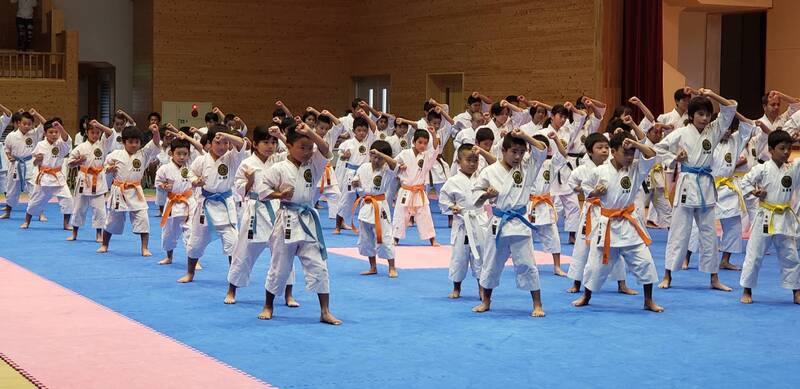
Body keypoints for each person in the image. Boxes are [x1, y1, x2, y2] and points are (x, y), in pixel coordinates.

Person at [655, 88, 737, 291]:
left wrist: (711, 95)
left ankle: (714, 278)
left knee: (709, 234)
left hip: (706, 186)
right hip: (687, 183)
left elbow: (730, 107)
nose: (705, 118)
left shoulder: (714, 130)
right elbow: (659, 148)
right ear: (691, 116)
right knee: (678, 232)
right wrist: (675, 158)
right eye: (700, 114)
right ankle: (667, 275)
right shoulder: (682, 132)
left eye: (708, 114)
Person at [572, 132, 663, 312]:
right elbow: (587, 189)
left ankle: (648, 300)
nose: (629, 157)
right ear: (613, 152)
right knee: (595, 266)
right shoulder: (600, 171)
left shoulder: (636, 168)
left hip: (629, 223)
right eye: (625, 153)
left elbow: (652, 154)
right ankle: (586, 296)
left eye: (632, 153)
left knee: (645, 262)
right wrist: (595, 193)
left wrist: (635, 144)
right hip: (607, 224)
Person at [261, 123, 341, 325]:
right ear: (288, 146)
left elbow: (325, 149)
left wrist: (310, 133)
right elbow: (262, 191)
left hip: (308, 220)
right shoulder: (278, 168)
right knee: (279, 267)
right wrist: (279, 194)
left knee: (320, 266)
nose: (307, 152)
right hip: (286, 218)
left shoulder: (314, 164)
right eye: (302, 147)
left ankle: (325, 311)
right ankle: (268, 305)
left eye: (309, 147)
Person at [472, 128, 548, 317]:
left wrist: (524, 136)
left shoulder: (527, 167)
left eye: (521, 152)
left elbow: (542, 150)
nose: (518, 156)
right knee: (491, 263)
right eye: (514, 152)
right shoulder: (489, 171)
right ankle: (486, 301)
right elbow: (475, 193)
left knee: (528, 263)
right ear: (503, 151)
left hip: (520, 223)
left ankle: (537, 304)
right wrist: (486, 195)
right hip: (498, 223)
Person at [739, 129, 800, 305]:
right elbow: (745, 182)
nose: (786, 152)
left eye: (789, 148)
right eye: (782, 148)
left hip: (785, 218)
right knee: (754, 255)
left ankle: (796, 291)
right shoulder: (762, 168)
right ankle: (747, 289)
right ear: (771, 150)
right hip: (765, 216)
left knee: (791, 256)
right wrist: (754, 192)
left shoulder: (793, 169)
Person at [98, 124, 161, 256]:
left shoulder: (143, 154)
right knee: (112, 220)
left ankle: (144, 248)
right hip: (119, 191)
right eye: (131, 142)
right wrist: (109, 169)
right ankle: (104, 244)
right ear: (124, 142)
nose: (134, 145)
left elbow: (155, 144)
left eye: (137, 142)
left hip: (135, 190)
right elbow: (105, 168)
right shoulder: (115, 155)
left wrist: (155, 132)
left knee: (143, 219)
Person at [352, 140, 398, 277]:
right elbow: (355, 182)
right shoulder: (363, 167)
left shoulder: (387, 170)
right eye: (374, 156)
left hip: (380, 205)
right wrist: (355, 184)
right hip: (365, 204)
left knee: (385, 236)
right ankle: (372, 267)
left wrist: (381, 154)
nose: (376, 160)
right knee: (366, 238)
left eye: (380, 158)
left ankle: (392, 267)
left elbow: (395, 165)